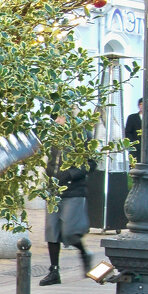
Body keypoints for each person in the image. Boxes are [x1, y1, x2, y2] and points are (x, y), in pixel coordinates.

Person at [39, 119, 96, 285]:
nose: (58, 118)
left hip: (74, 190)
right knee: (52, 229)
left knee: (70, 232)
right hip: (53, 188)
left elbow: (91, 163)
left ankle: (84, 253)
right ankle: (54, 270)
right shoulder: (52, 133)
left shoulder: (82, 133)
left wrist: (71, 174)